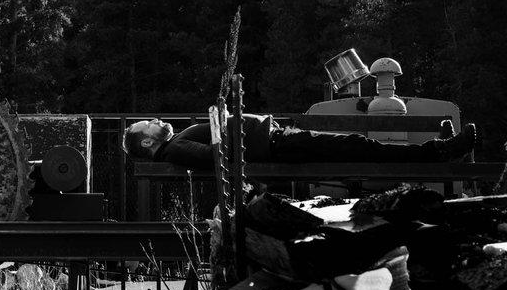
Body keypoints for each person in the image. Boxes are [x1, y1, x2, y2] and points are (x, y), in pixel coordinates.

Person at [123, 114, 476, 168]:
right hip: (279, 146)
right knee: (356, 145)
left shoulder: (176, 143)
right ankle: (438, 151)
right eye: (149, 125)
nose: (156, 121)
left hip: (279, 140)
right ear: (146, 144)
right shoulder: (176, 148)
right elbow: (221, 157)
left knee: (355, 144)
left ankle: (435, 147)